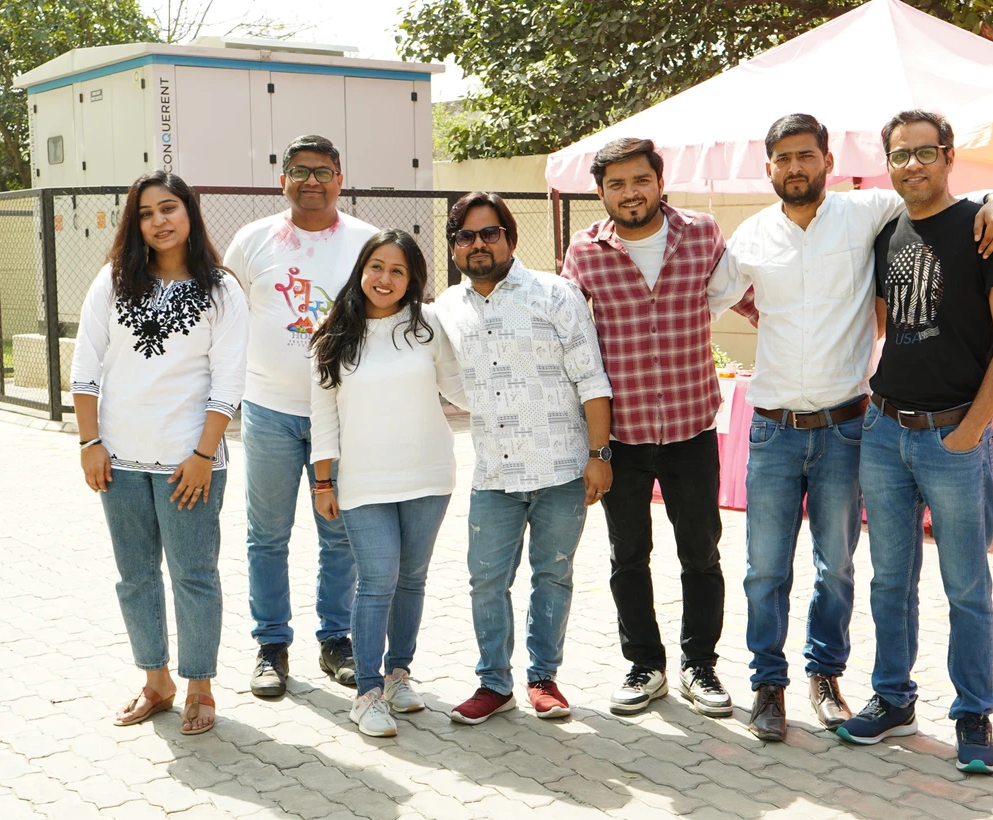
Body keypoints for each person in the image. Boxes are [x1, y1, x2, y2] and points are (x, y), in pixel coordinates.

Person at [725, 115, 993, 741]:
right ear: (769, 166)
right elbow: (709, 295)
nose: (795, 167)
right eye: (783, 158)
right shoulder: (751, 235)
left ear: (829, 161)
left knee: (846, 569)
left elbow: (952, 202)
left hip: (851, 429)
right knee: (769, 571)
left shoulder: (868, 213)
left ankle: (839, 679)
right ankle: (772, 686)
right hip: (789, 431)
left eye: (807, 155)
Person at [836, 110, 993, 776]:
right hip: (885, 431)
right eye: (899, 155)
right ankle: (892, 699)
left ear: (949, 156)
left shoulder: (988, 228)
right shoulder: (885, 230)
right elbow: (891, 324)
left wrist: (972, 429)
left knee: (966, 586)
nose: (911, 164)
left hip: (954, 435)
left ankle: (974, 714)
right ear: (887, 164)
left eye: (924, 152)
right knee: (890, 580)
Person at [560, 139, 748, 718]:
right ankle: (645, 665)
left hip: (691, 428)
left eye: (639, 180)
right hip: (623, 436)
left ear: (659, 182)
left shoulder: (703, 234)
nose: (630, 193)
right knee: (627, 556)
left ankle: (701, 666)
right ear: (600, 193)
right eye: (615, 184)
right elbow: (567, 337)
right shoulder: (584, 253)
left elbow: (747, 300)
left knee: (701, 553)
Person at [70, 171, 248, 736]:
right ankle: (157, 681)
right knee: (135, 576)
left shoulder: (222, 289)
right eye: (146, 213)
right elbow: (85, 368)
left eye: (168, 208)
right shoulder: (113, 281)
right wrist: (90, 443)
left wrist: (203, 453)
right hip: (118, 462)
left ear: (190, 213)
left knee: (193, 574)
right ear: (135, 223)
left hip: (188, 464)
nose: (159, 221)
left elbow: (228, 381)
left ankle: (200, 686)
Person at [432, 191, 613, 725]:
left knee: (552, 575)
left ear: (511, 237)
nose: (479, 244)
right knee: (486, 580)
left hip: (561, 467)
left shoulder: (555, 295)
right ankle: (493, 682)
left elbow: (591, 378)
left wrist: (599, 454)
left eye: (490, 233)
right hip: (493, 473)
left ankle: (543, 679)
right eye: (466, 235)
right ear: (455, 246)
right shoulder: (446, 309)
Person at [223, 135, 379, 697]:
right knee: (267, 535)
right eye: (298, 171)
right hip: (268, 410)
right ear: (281, 179)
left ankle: (336, 638)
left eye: (322, 171)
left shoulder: (365, 241)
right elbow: (224, 312)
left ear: (340, 178)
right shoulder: (251, 241)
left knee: (339, 533)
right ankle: (271, 646)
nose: (311, 181)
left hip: (340, 412)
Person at [308, 229, 467, 737]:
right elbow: (323, 417)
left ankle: (400, 674)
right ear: (361, 269)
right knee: (377, 581)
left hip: (428, 472)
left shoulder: (427, 325)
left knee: (412, 579)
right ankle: (367, 693)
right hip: (364, 480)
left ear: (412, 279)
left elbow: (459, 387)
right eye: (377, 266)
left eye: (398, 270)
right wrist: (323, 483)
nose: (385, 278)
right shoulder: (332, 336)